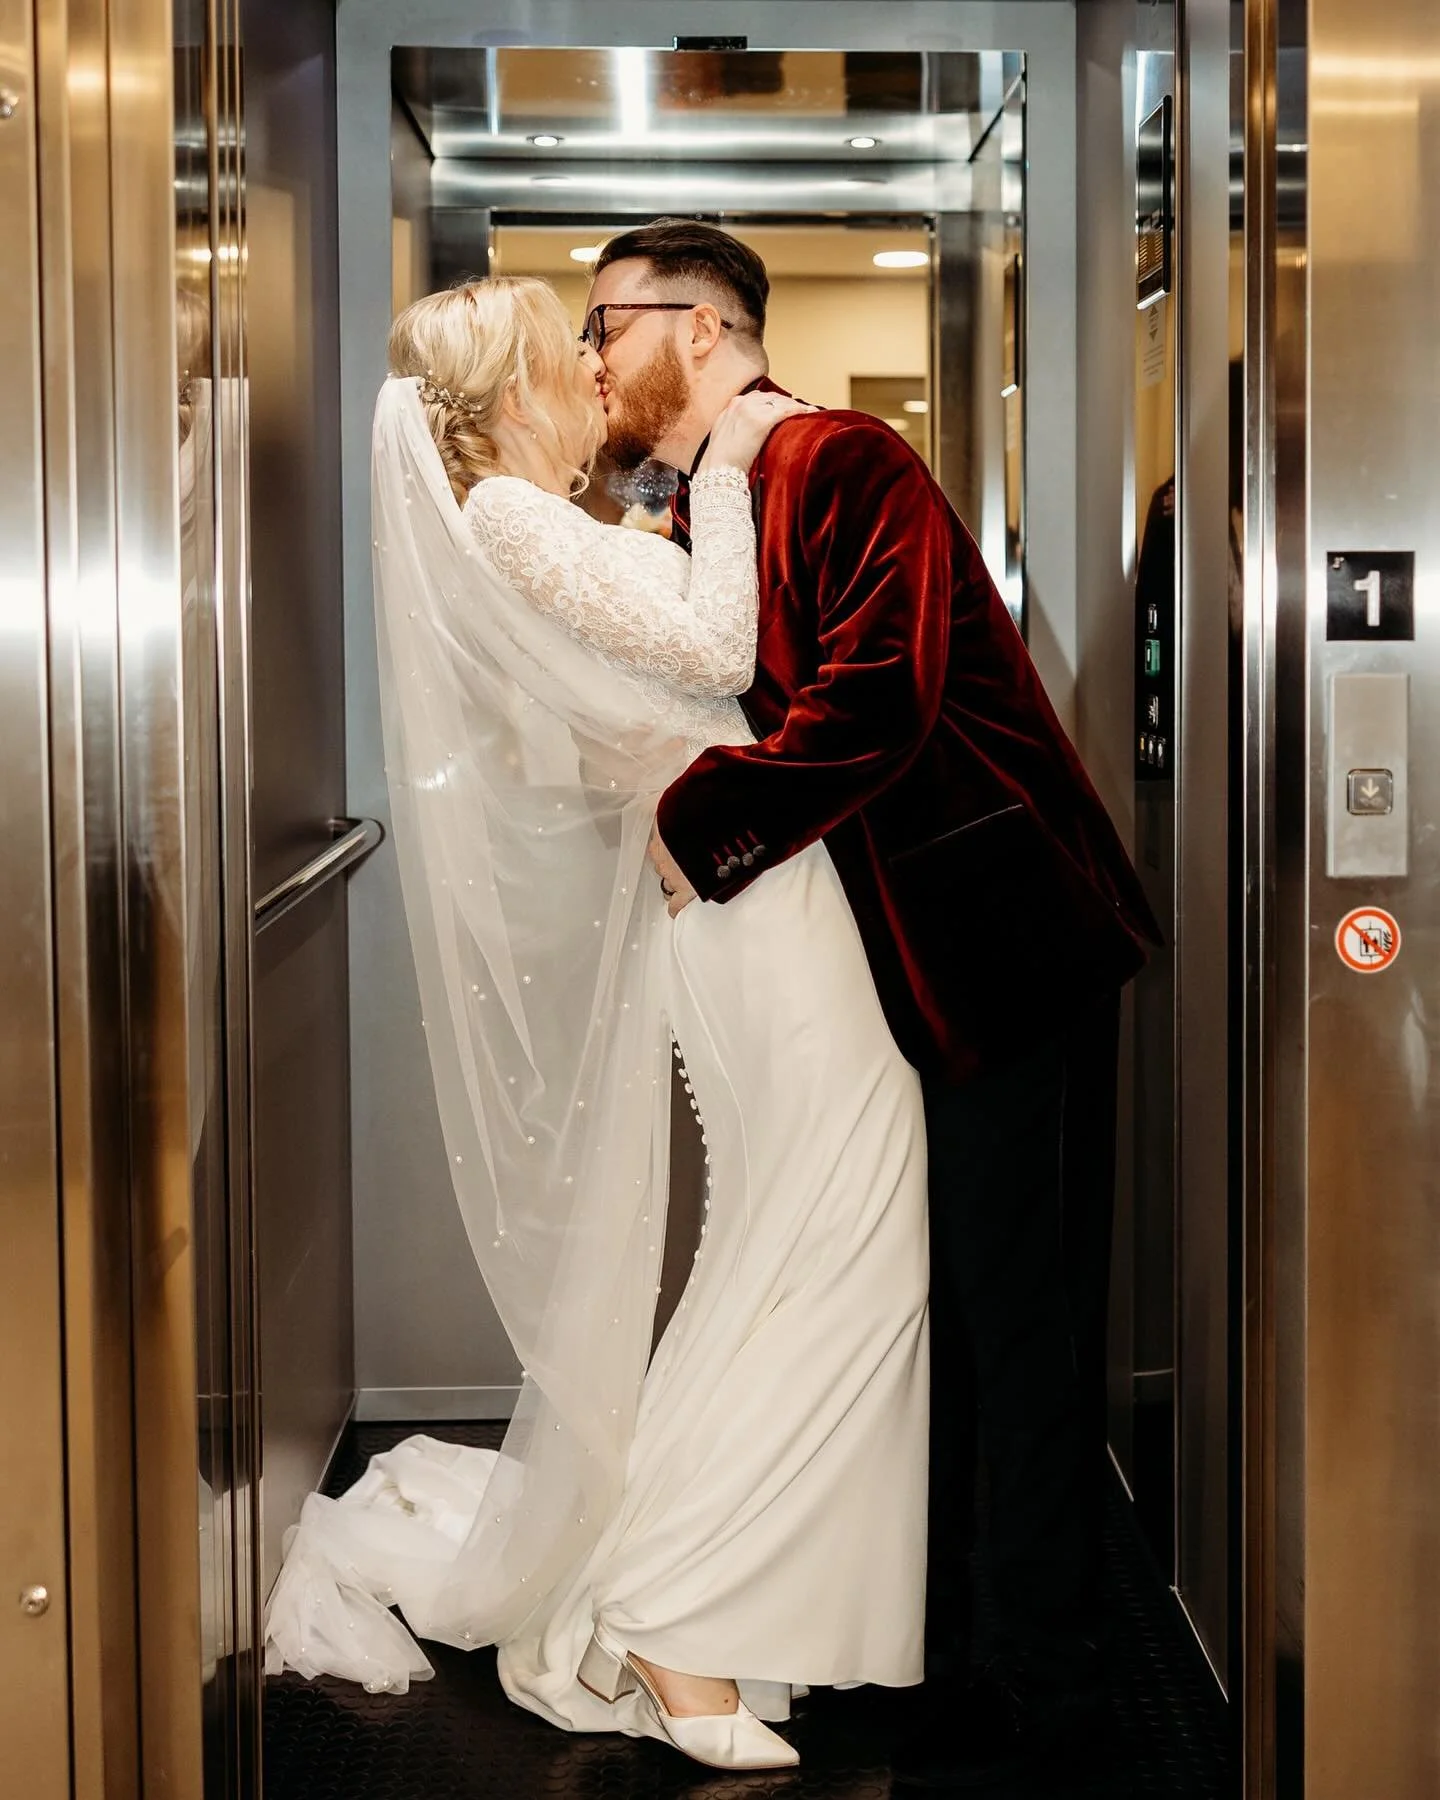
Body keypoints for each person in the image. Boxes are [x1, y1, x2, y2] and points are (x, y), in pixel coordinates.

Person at [262, 276, 931, 1774]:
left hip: (756, 897)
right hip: (751, 910)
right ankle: (678, 1620)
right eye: (563, 345)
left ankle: (702, 1601)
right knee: (839, 1228)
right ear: (508, 390)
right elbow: (714, 650)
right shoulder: (513, 518)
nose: (586, 364)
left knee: (804, 1237)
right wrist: (747, 461)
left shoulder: (541, 521)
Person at [583, 219, 1163, 1791]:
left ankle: (1048, 1678)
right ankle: (928, 1633)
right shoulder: (696, 489)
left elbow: (881, 695)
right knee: (929, 1304)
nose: (592, 358)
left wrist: (698, 833)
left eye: (608, 324)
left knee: (1009, 1312)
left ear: (701, 329)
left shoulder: (843, 459)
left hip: (995, 941)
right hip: (881, 959)